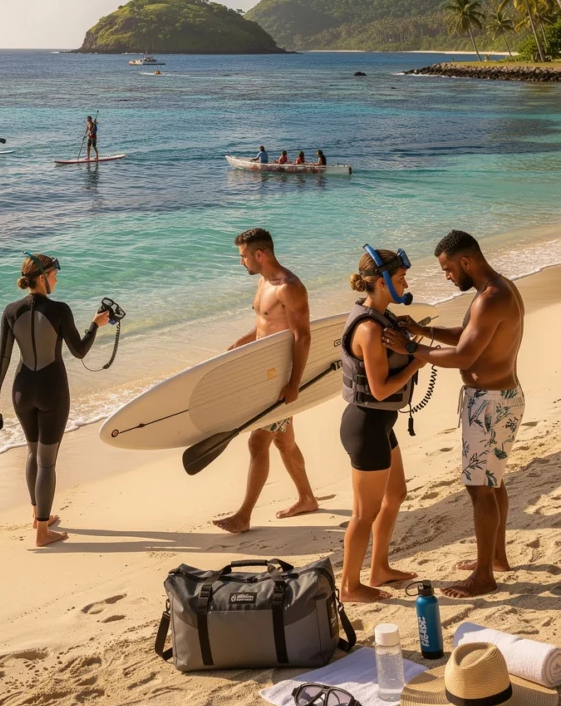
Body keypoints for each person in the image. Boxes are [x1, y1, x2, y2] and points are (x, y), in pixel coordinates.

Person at [382, 230, 525, 599]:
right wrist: (422, 330)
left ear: (465, 261)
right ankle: (495, 559)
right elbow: (467, 336)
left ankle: (483, 577)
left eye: (447, 269)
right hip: (502, 397)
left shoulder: (490, 298)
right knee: (492, 482)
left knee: (479, 488)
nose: (446, 275)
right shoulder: (497, 288)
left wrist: (412, 348)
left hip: (489, 403)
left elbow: (464, 357)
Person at [0, 254, 110, 547]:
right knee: (47, 462)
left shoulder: (10, 311)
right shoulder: (59, 310)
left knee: (33, 453)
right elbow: (79, 351)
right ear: (42, 278)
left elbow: (3, 357)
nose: (56, 279)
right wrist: (95, 325)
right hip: (52, 390)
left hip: (21, 390)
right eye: (54, 275)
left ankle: (37, 515)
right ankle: (43, 532)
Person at [213, 228, 318, 534]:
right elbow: (266, 325)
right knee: (285, 442)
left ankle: (243, 516)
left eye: (243, 256)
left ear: (260, 254)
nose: (241, 262)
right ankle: (307, 498)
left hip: (280, 377)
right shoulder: (263, 281)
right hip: (266, 374)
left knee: (258, 442)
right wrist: (240, 343)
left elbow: (303, 337)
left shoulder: (289, 286)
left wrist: (294, 383)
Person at [339, 248, 425, 603]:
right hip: (366, 427)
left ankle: (379, 569)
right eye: (401, 277)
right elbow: (380, 388)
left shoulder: (380, 315)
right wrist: (415, 362)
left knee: (396, 495)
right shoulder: (371, 327)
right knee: (364, 513)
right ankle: (349, 586)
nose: (405, 282)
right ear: (381, 282)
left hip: (380, 424)